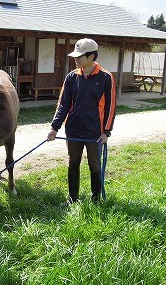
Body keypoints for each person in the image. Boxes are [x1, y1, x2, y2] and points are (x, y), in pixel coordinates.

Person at [47, 38, 116, 205]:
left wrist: (106, 131)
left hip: (94, 132)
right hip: (73, 131)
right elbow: (63, 104)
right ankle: (72, 198)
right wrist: (54, 127)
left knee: (94, 165)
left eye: (79, 56)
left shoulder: (106, 77)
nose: (75, 59)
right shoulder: (71, 77)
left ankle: (95, 200)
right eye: (75, 56)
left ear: (91, 56)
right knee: (73, 163)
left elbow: (111, 106)